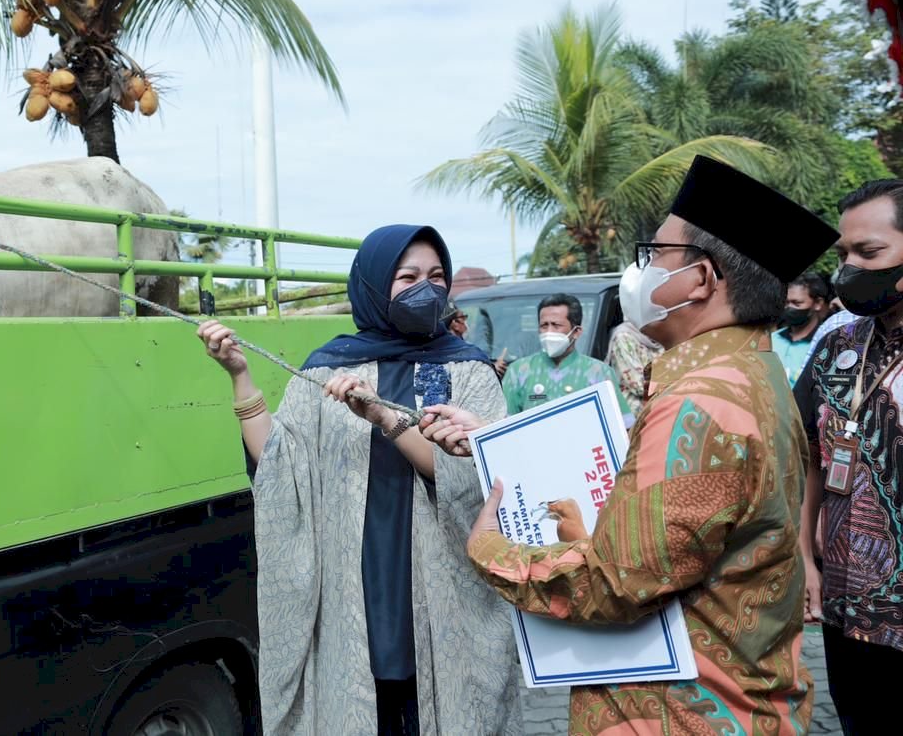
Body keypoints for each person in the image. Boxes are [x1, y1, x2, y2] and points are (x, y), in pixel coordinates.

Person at [421, 154, 837, 734]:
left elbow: (614, 582)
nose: (639, 272)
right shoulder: (756, 374)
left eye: (656, 254)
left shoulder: (697, 401)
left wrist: (490, 549)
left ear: (702, 278)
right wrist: (501, 441)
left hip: (676, 713)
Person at [195, 224, 522, 735]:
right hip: (357, 585)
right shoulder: (331, 366)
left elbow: (474, 481)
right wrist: (239, 374)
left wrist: (383, 417)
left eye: (437, 276)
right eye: (408, 276)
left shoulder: (469, 370)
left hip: (443, 586)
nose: (427, 289)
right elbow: (280, 466)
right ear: (373, 285)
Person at [795, 179, 903, 735]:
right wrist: (805, 557)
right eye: (844, 254)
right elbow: (812, 454)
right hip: (846, 612)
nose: (850, 269)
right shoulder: (838, 346)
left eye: (869, 253)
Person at [501, 293, 633, 426]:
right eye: (544, 325)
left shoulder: (598, 372)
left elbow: (622, 424)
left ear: (576, 332)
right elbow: (504, 424)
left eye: (556, 325)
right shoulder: (518, 372)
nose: (549, 331)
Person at [772, 271, 832, 386]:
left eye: (797, 303)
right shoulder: (772, 339)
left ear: (818, 303)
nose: (789, 308)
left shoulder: (825, 345)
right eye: (786, 303)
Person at [603, 318, 663, 416]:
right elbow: (638, 385)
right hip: (636, 414)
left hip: (660, 403)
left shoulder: (658, 336)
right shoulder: (623, 337)